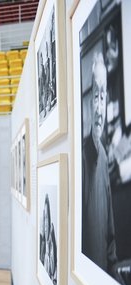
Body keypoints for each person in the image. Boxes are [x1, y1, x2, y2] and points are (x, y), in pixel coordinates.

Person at [82, 52, 117, 273]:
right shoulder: (80, 157)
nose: (99, 108)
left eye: (103, 97)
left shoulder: (103, 155)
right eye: (96, 96)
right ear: (85, 100)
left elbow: (110, 235)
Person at [40, 194, 57, 285]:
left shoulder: (52, 248)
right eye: (44, 218)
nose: (45, 224)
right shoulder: (42, 248)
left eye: (47, 218)